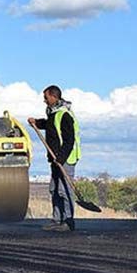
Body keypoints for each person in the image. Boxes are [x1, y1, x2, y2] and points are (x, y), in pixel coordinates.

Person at [27, 85, 81, 232]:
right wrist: (37, 123)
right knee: (54, 189)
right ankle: (57, 220)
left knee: (64, 191)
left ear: (53, 97)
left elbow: (69, 141)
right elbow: (49, 125)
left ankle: (68, 222)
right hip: (55, 159)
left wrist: (61, 158)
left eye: (46, 97)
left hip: (66, 160)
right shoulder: (53, 113)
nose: (44, 100)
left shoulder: (65, 115)